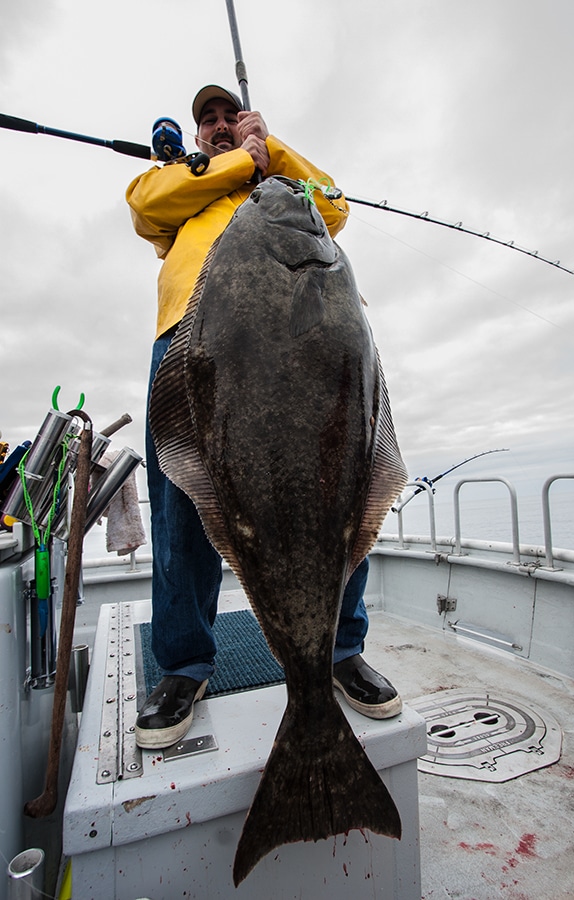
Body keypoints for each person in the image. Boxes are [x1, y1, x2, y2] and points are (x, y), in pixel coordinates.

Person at [126, 85, 401, 749]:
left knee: (337, 493)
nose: (220, 126)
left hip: (308, 354)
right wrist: (239, 161)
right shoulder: (178, 186)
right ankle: (185, 667)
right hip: (202, 352)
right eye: (209, 121)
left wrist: (269, 149)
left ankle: (337, 653)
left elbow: (332, 207)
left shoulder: (284, 183)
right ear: (197, 137)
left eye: (231, 117)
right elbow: (144, 205)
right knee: (180, 516)